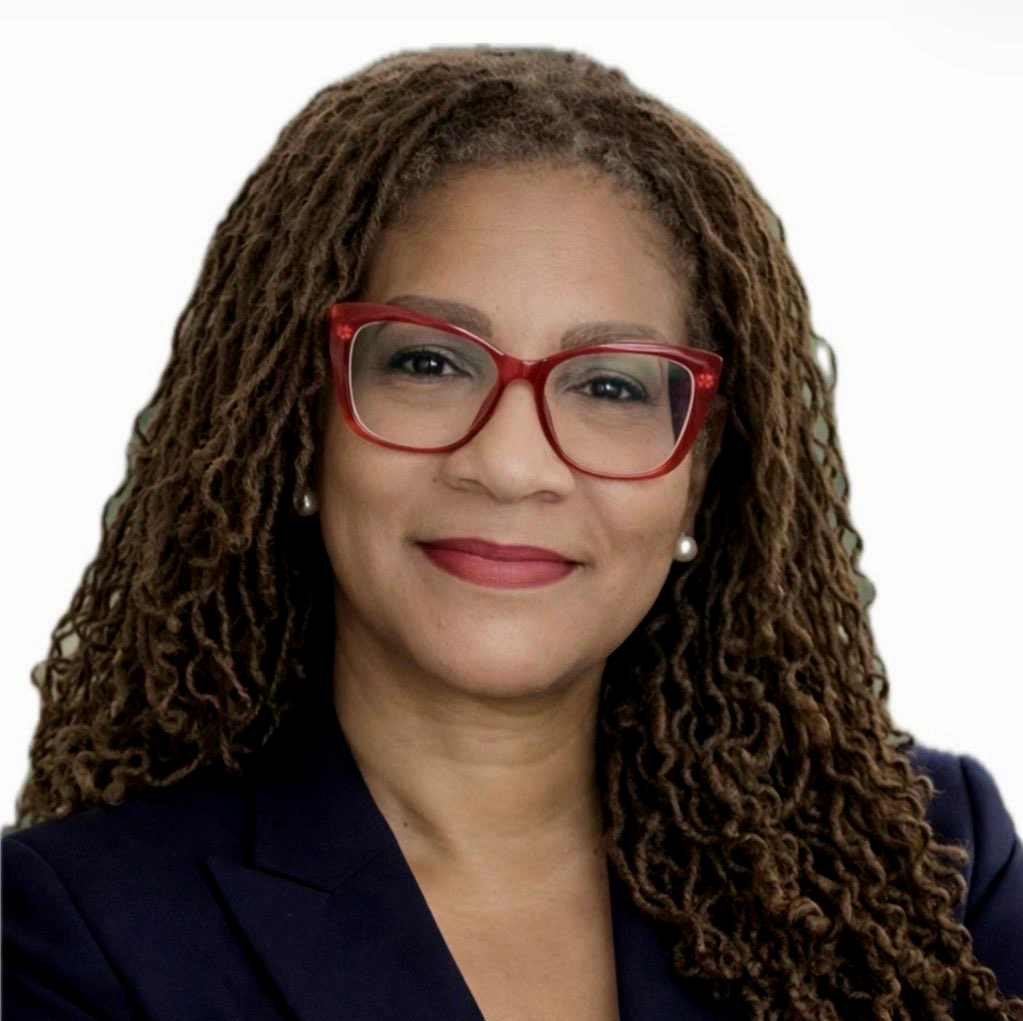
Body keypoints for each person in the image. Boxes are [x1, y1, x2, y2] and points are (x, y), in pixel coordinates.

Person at [2, 43, 1021, 1021]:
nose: (511, 463)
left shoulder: (926, 863)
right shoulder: (72, 931)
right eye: (430, 364)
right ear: (297, 417)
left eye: (611, 384)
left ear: (706, 468)